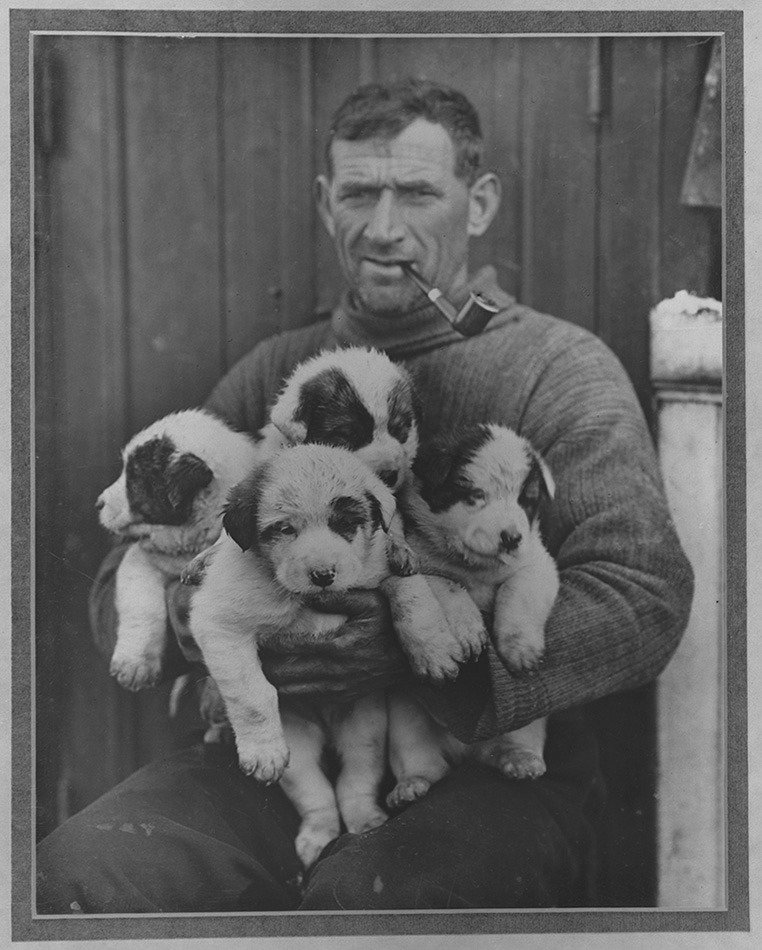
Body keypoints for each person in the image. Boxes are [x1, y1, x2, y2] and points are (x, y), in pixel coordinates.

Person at [36, 78, 694, 913]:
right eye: (359, 193)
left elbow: (645, 596)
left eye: (417, 191)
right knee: (81, 875)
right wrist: (209, 626)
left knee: (375, 902)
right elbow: (125, 564)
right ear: (325, 203)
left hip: (486, 762)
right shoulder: (280, 373)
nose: (383, 228)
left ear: (480, 202)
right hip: (284, 749)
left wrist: (427, 653)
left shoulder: (559, 369)